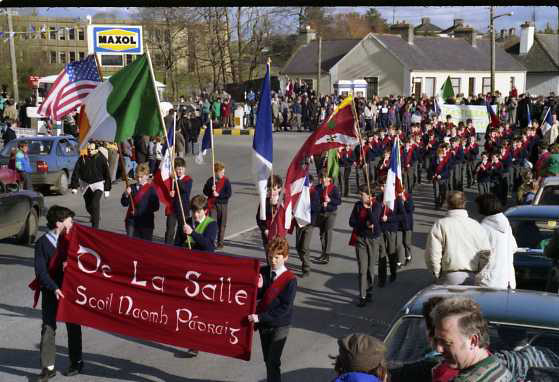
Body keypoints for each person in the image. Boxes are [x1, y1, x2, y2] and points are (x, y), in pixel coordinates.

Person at [34, 206, 83, 381]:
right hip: (51, 290)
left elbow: (86, 262)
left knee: (73, 325)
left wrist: (72, 267)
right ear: (59, 223)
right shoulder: (42, 243)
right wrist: (54, 287)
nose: (73, 223)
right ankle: (48, 367)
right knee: (48, 327)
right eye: (70, 220)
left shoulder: (74, 239)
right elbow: (40, 272)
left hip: (70, 290)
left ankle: (76, 361)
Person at [248, 237, 297, 382]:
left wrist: (260, 318)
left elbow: (284, 307)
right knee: (267, 360)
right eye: (270, 257)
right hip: (265, 324)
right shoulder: (263, 271)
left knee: (273, 361)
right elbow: (257, 297)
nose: (273, 261)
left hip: (280, 324)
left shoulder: (290, 280)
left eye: (277, 257)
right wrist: (259, 287)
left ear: (285, 257)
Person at [431, 297, 513, 381]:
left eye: (446, 342)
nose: (438, 349)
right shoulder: (499, 367)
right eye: (437, 340)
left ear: (473, 341)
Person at [424, 191, 491, 285]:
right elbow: (485, 253)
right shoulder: (476, 225)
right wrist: (478, 272)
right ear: (464, 203)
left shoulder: (440, 225)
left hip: (449, 277)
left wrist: (436, 274)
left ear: (448, 204)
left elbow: (433, 254)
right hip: (472, 276)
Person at [349, 184, 384, 307]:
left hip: (373, 240)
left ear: (369, 195)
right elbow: (351, 222)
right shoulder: (357, 206)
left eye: (362, 194)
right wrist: (363, 224)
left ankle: (370, 290)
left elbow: (376, 222)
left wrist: (369, 210)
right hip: (360, 239)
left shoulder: (377, 206)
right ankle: (362, 296)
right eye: (359, 194)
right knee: (362, 269)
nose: (360, 196)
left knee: (370, 268)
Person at [474, 194, 517, 289]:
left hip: (488, 282)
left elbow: (478, 255)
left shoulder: (483, 228)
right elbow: (514, 248)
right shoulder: (506, 226)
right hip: (508, 281)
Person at [70, 143, 111, 229]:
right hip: (85, 184)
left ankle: (95, 228)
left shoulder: (101, 158)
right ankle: (95, 215)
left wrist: (107, 189)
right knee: (89, 206)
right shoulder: (82, 158)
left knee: (95, 203)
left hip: (98, 184)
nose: (89, 151)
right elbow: (76, 172)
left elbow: (107, 174)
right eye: (88, 149)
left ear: (96, 150)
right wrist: (74, 186)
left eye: (92, 149)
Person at [120, 163, 160, 241]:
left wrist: (139, 212)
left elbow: (156, 207)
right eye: (137, 176)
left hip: (146, 222)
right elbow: (124, 203)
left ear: (147, 176)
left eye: (141, 177)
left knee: (145, 246)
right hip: (132, 221)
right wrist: (126, 194)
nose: (139, 179)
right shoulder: (131, 187)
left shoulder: (151, 189)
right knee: (131, 243)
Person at [313, 170, 341, 265]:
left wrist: (330, 200)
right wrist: (321, 204)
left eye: (325, 177)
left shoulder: (333, 188)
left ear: (330, 179)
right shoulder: (317, 188)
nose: (323, 179)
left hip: (331, 212)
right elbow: (314, 200)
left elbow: (338, 201)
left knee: (328, 232)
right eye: (322, 177)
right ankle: (323, 253)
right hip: (321, 213)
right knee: (322, 233)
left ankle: (327, 255)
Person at [203, 161, 232, 249]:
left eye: (223, 172)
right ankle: (212, 241)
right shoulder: (210, 181)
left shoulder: (226, 181)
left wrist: (219, 195)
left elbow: (228, 194)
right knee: (213, 223)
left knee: (222, 224)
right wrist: (210, 189)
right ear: (216, 172)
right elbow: (205, 191)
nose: (223, 173)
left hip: (223, 205)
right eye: (221, 172)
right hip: (213, 205)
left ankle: (220, 242)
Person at [167, 157, 192, 246]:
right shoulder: (171, 180)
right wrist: (170, 194)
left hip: (183, 208)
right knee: (170, 229)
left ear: (184, 169)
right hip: (172, 208)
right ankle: (167, 247)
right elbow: (165, 191)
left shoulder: (188, 179)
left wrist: (177, 179)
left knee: (182, 229)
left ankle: (180, 246)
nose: (180, 171)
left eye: (181, 169)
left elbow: (184, 189)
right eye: (178, 169)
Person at [256, 175, 283, 249]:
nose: (271, 192)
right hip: (267, 233)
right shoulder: (264, 201)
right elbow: (259, 218)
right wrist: (265, 230)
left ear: (279, 189)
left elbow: (285, 216)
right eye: (270, 189)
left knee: (278, 256)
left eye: (274, 189)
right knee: (269, 256)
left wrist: (275, 205)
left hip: (279, 233)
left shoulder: (283, 201)